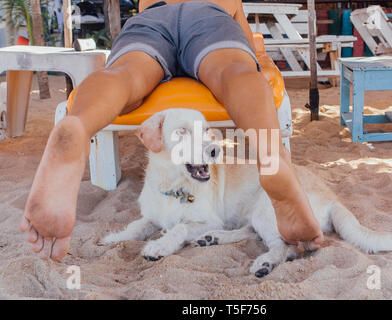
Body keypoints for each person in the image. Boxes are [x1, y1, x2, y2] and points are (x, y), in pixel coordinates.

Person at [20, 0, 324, 261]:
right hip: (211, 13)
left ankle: (78, 124)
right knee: (236, 73)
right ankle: (271, 155)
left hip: (152, 18)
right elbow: (252, 55)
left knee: (123, 76)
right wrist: (254, 60)